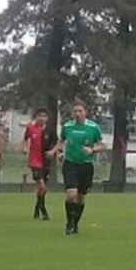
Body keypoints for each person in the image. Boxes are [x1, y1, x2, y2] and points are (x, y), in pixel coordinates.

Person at [46, 99, 105, 235]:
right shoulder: (67, 127)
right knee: (71, 195)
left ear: (85, 112)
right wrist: (58, 153)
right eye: (75, 111)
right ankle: (69, 223)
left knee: (80, 198)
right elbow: (61, 142)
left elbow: (102, 145)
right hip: (70, 163)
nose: (77, 114)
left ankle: (75, 223)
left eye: (80, 111)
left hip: (86, 166)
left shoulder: (93, 128)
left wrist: (92, 150)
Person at [21, 107, 58, 220]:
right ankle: (44, 211)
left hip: (46, 162)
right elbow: (25, 139)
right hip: (34, 161)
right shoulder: (31, 128)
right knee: (42, 186)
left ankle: (37, 210)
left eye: (44, 116)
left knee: (42, 189)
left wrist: (52, 151)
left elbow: (58, 143)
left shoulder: (50, 130)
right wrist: (24, 148)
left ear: (47, 118)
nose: (41, 118)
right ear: (36, 117)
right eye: (39, 116)